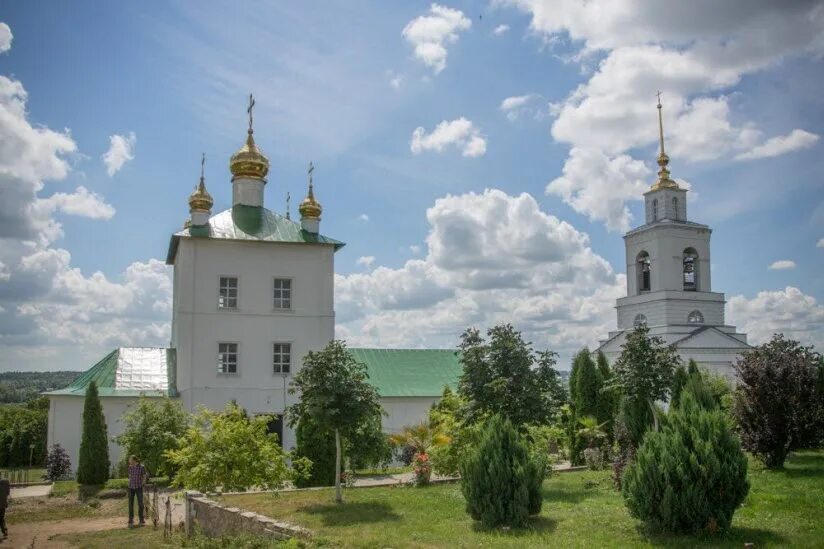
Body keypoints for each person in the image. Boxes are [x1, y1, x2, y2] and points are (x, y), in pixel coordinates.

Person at [127, 455, 149, 528]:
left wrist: (143, 483)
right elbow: (130, 476)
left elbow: (144, 476)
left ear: (134, 460)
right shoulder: (130, 467)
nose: (129, 461)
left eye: (130, 460)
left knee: (140, 504)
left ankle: (141, 520)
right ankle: (130, 520)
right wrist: (129, 483)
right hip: (131, 488)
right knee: (130, 504)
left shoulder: (141, 467)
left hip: (139, 487)